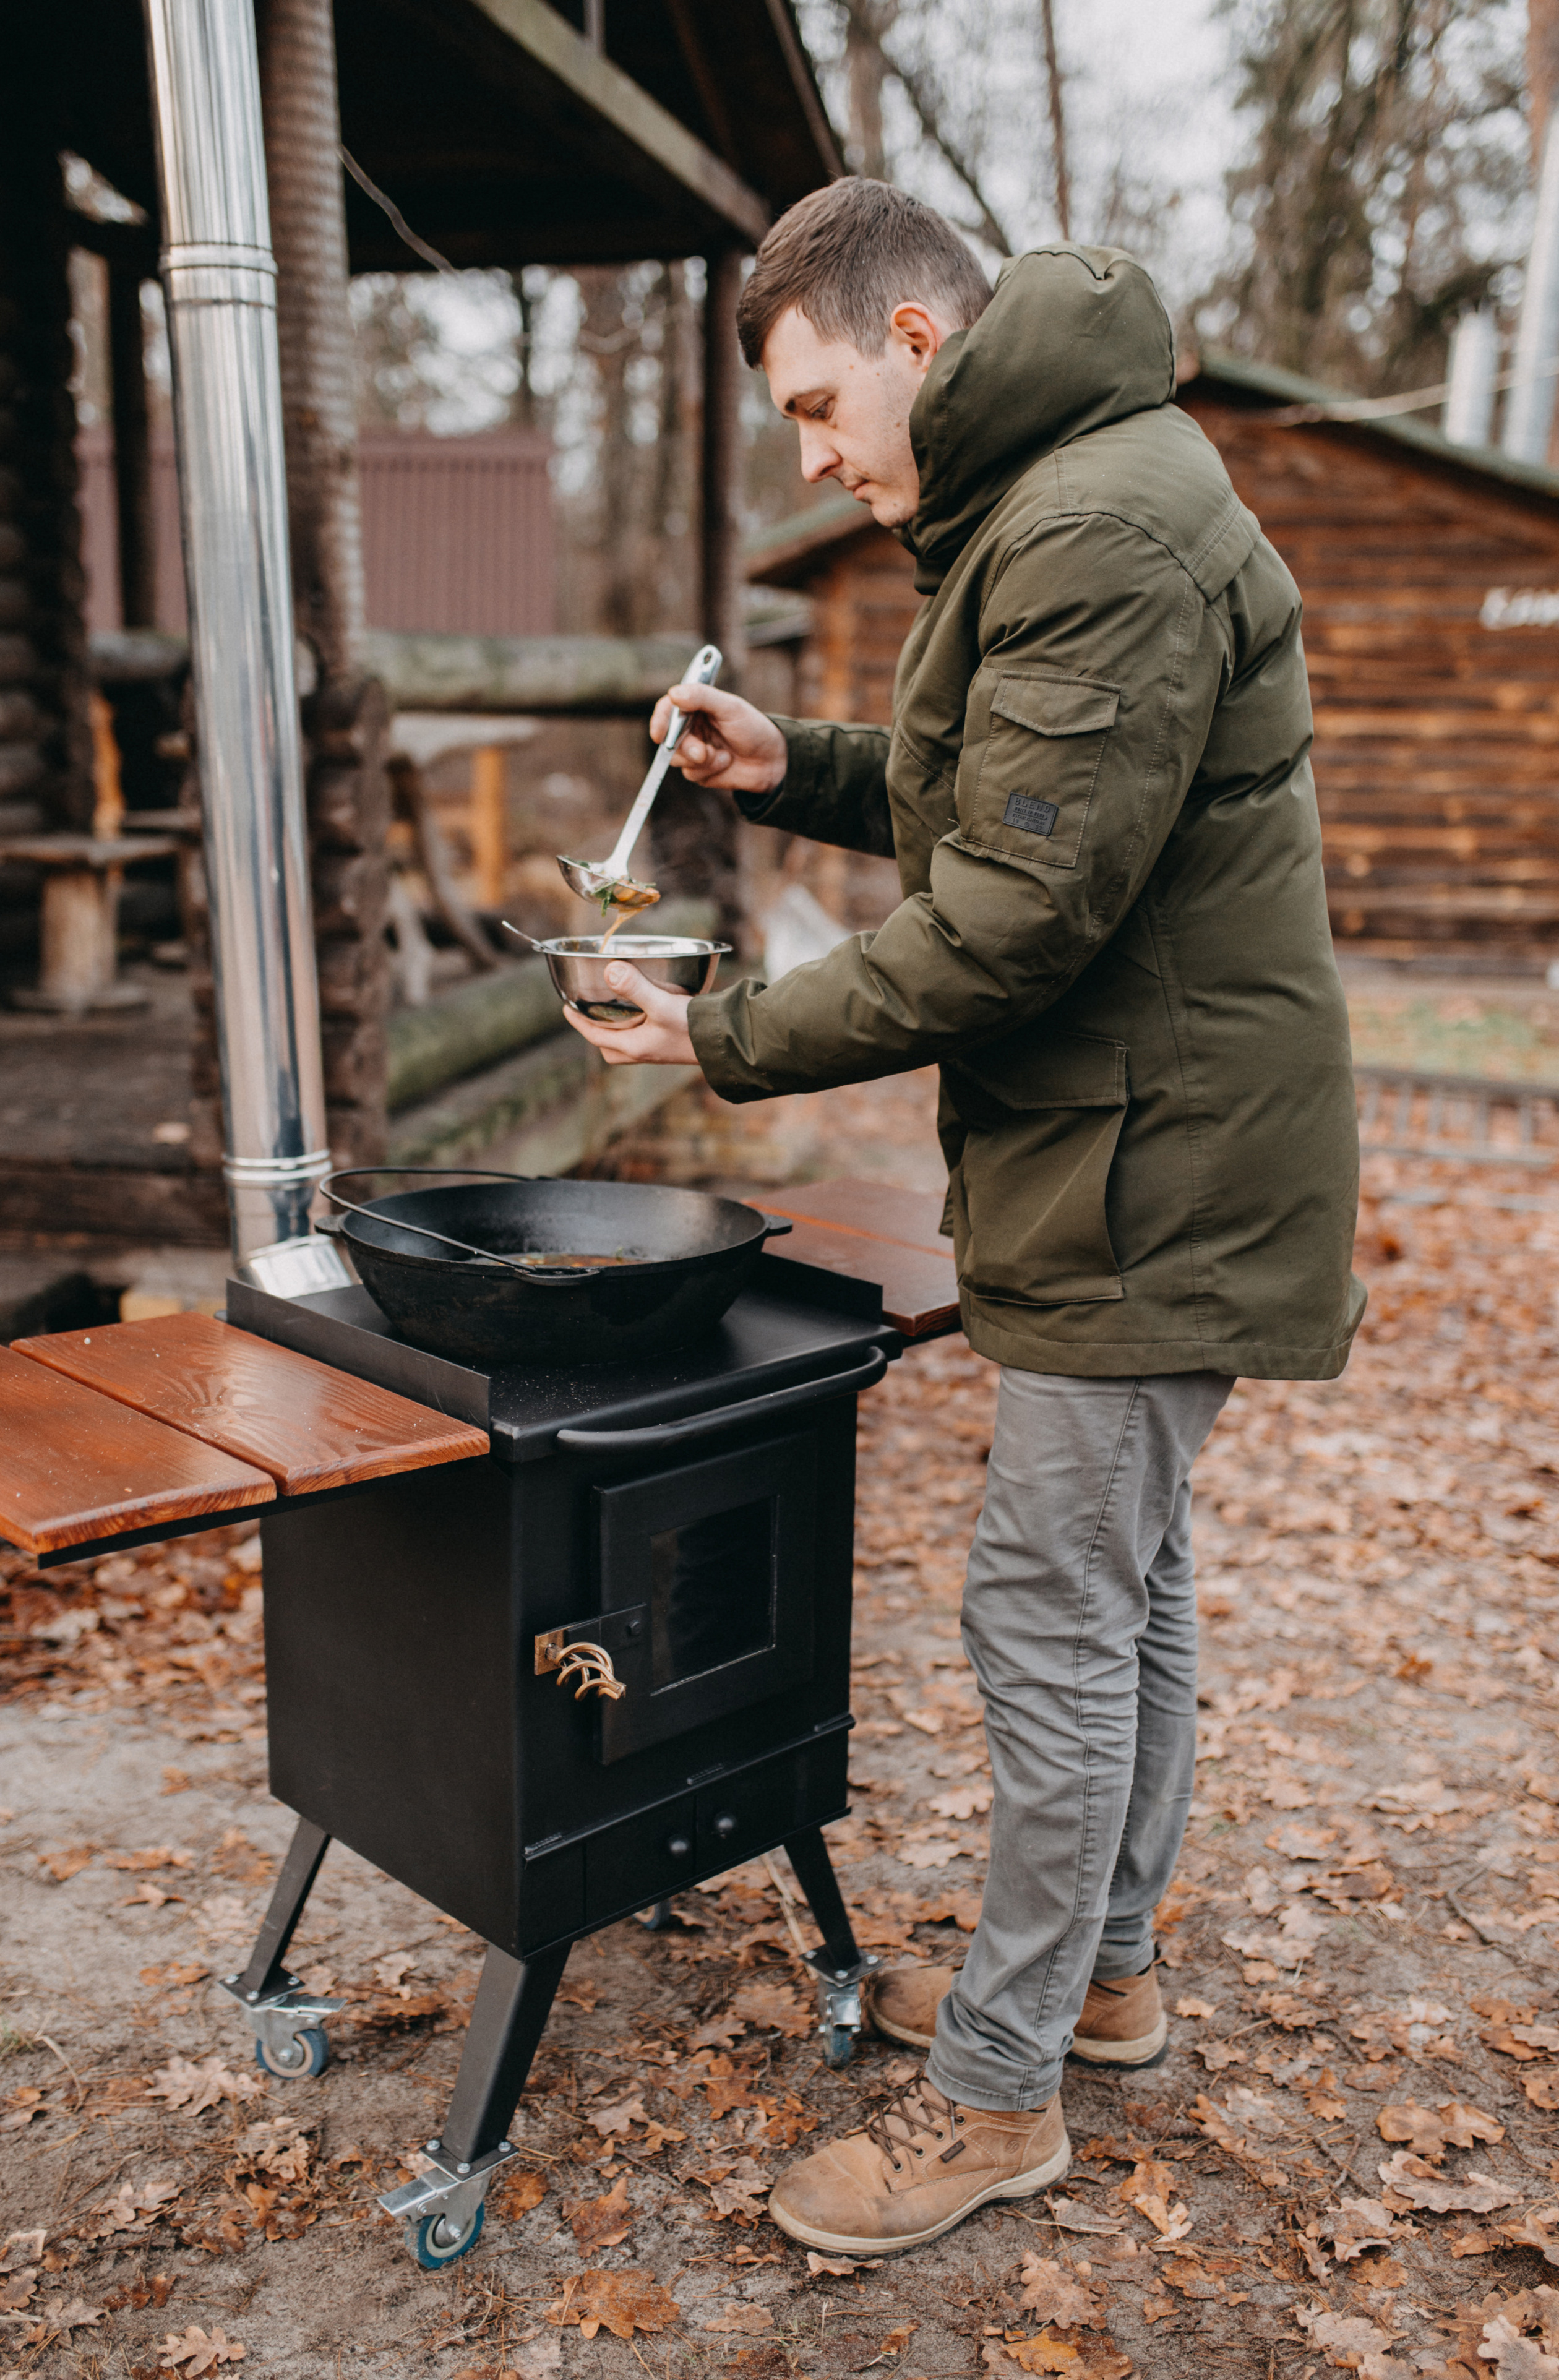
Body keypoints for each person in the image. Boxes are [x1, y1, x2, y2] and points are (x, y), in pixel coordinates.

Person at [562, 178, 1365, 2258]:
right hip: (1146, 1155)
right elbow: (1006, 794)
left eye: (823, 407)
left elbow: (1011, 919)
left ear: (918, 340)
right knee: (1128, 1597)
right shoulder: (1066, 484)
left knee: (1051, 1620)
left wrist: (720, 1030)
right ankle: (1094, 1979)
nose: (815, 461)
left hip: (1151, 1171)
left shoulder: (1090, 524)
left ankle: (997, 2095)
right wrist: (791, 767)